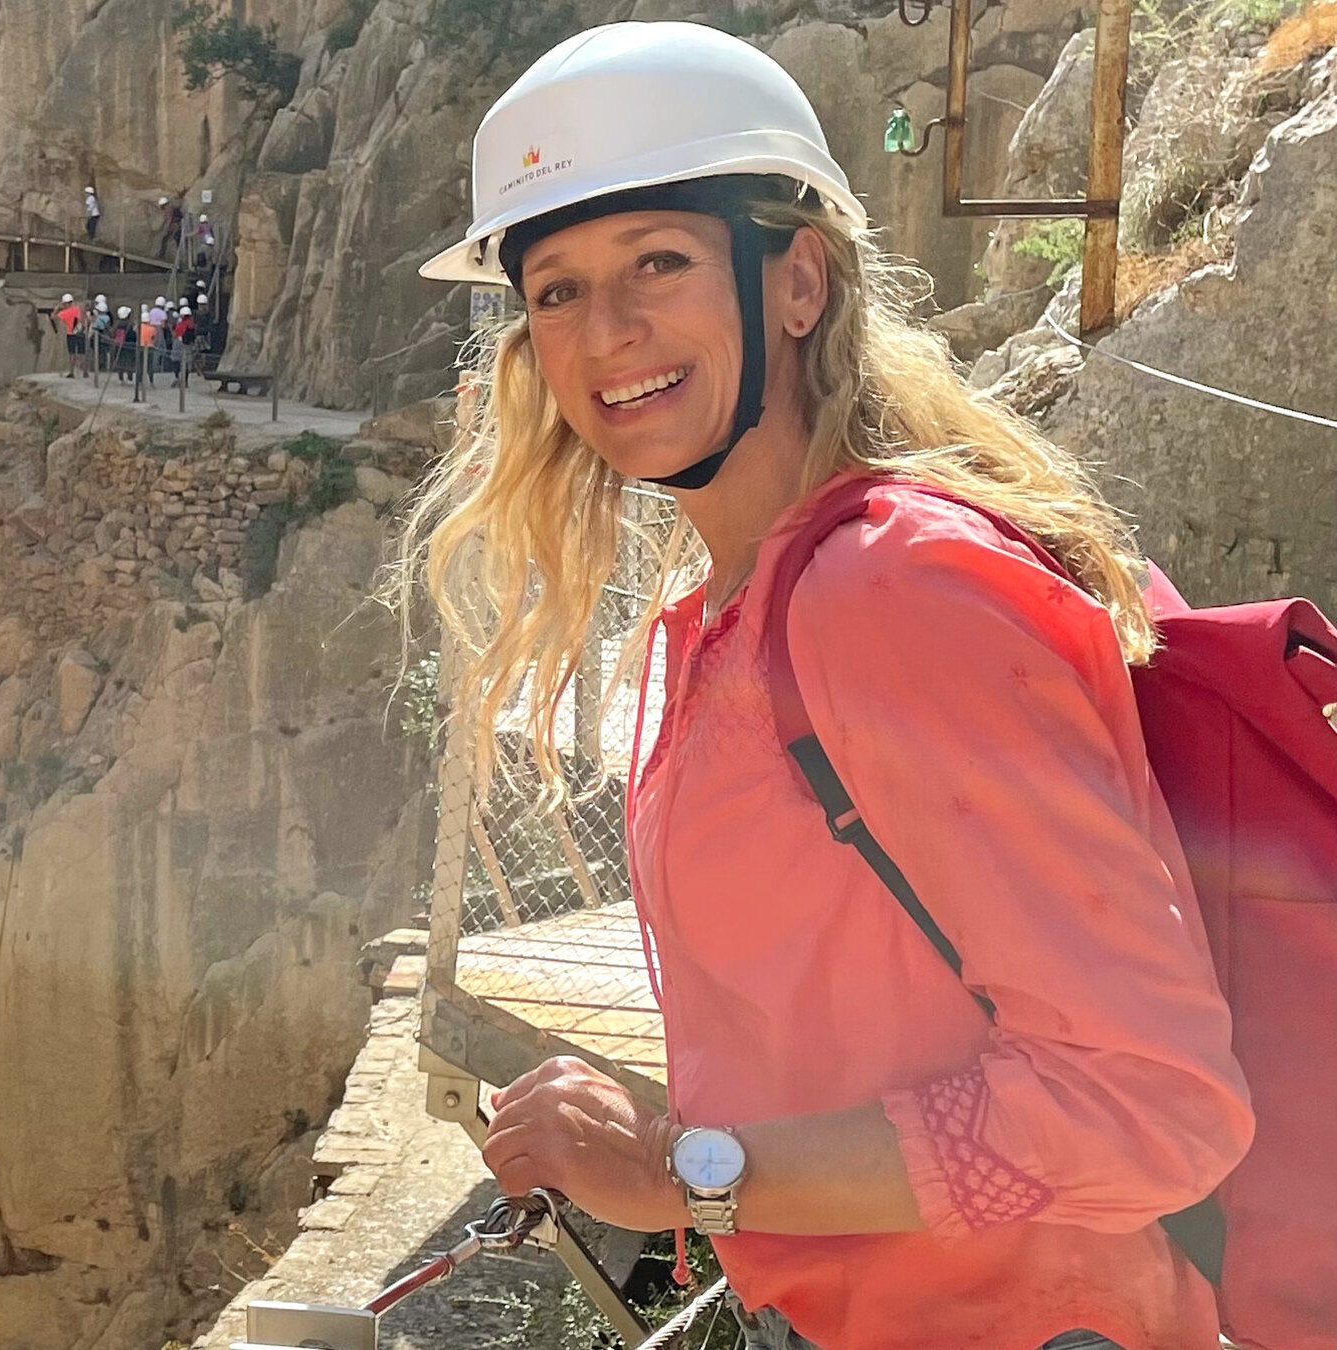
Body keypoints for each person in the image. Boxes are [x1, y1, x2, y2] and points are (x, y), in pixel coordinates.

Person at [403, 22, 1249, 1350]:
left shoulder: (890, 591)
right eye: (552, 289)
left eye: (656, 263)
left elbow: (1148, 1105)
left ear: (795, 281)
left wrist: (690, 1167)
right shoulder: (749, 603)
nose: (604, 331)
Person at [55, 292, 86, 376]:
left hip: (71, 334)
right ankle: (85, 371)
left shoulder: (64, 313)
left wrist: (57, 309)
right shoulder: (77, 309)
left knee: (72, 353)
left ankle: (72, 372)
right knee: (81, 353)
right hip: (80, 332)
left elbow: (54, 317)